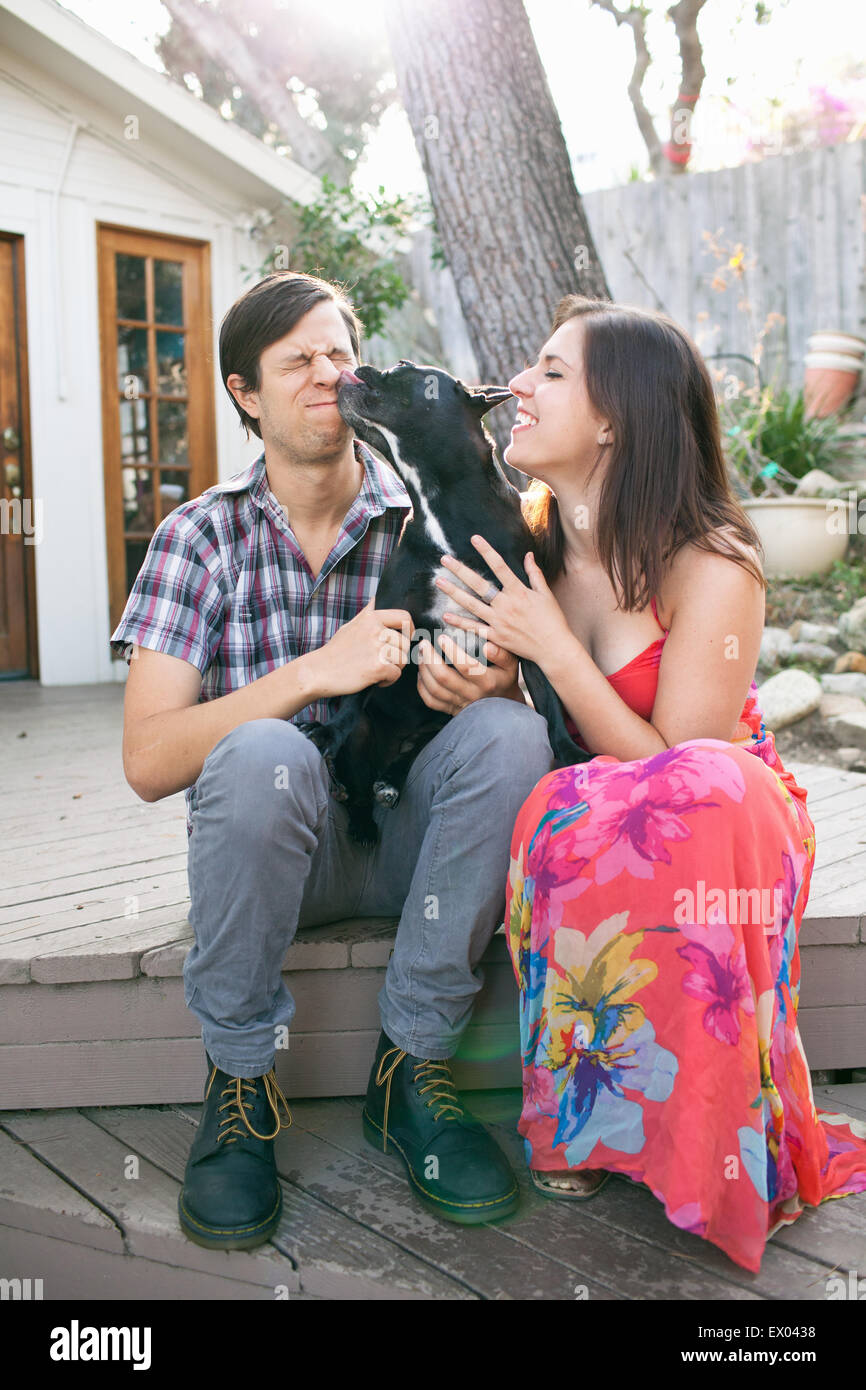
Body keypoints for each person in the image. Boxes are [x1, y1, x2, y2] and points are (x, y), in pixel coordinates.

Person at [110, 271, 555, 1250]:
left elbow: (529, 710)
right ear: (245, 393)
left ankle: (409, 1073)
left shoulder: (439, 509)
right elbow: (148, 760)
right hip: (275, 861)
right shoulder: (197, 538)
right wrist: (314, 670)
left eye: (337, 352)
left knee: (510, 733)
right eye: (294, 359)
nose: (325, 373)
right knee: (265, 751)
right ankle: (239, 1083)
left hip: (411, 848)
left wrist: (493, 688)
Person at [432, 294, 866, 1273]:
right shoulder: (527, 537)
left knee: (689, 794)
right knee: (558, 799)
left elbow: (677, 753)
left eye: (548, 372)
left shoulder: (708, 561)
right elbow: (519, 707)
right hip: (588, 806)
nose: (517, 387)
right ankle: (586, 1121)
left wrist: (551, 644)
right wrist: (477, 677)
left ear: (613, 419)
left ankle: (708, 1138)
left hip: (718, 809)